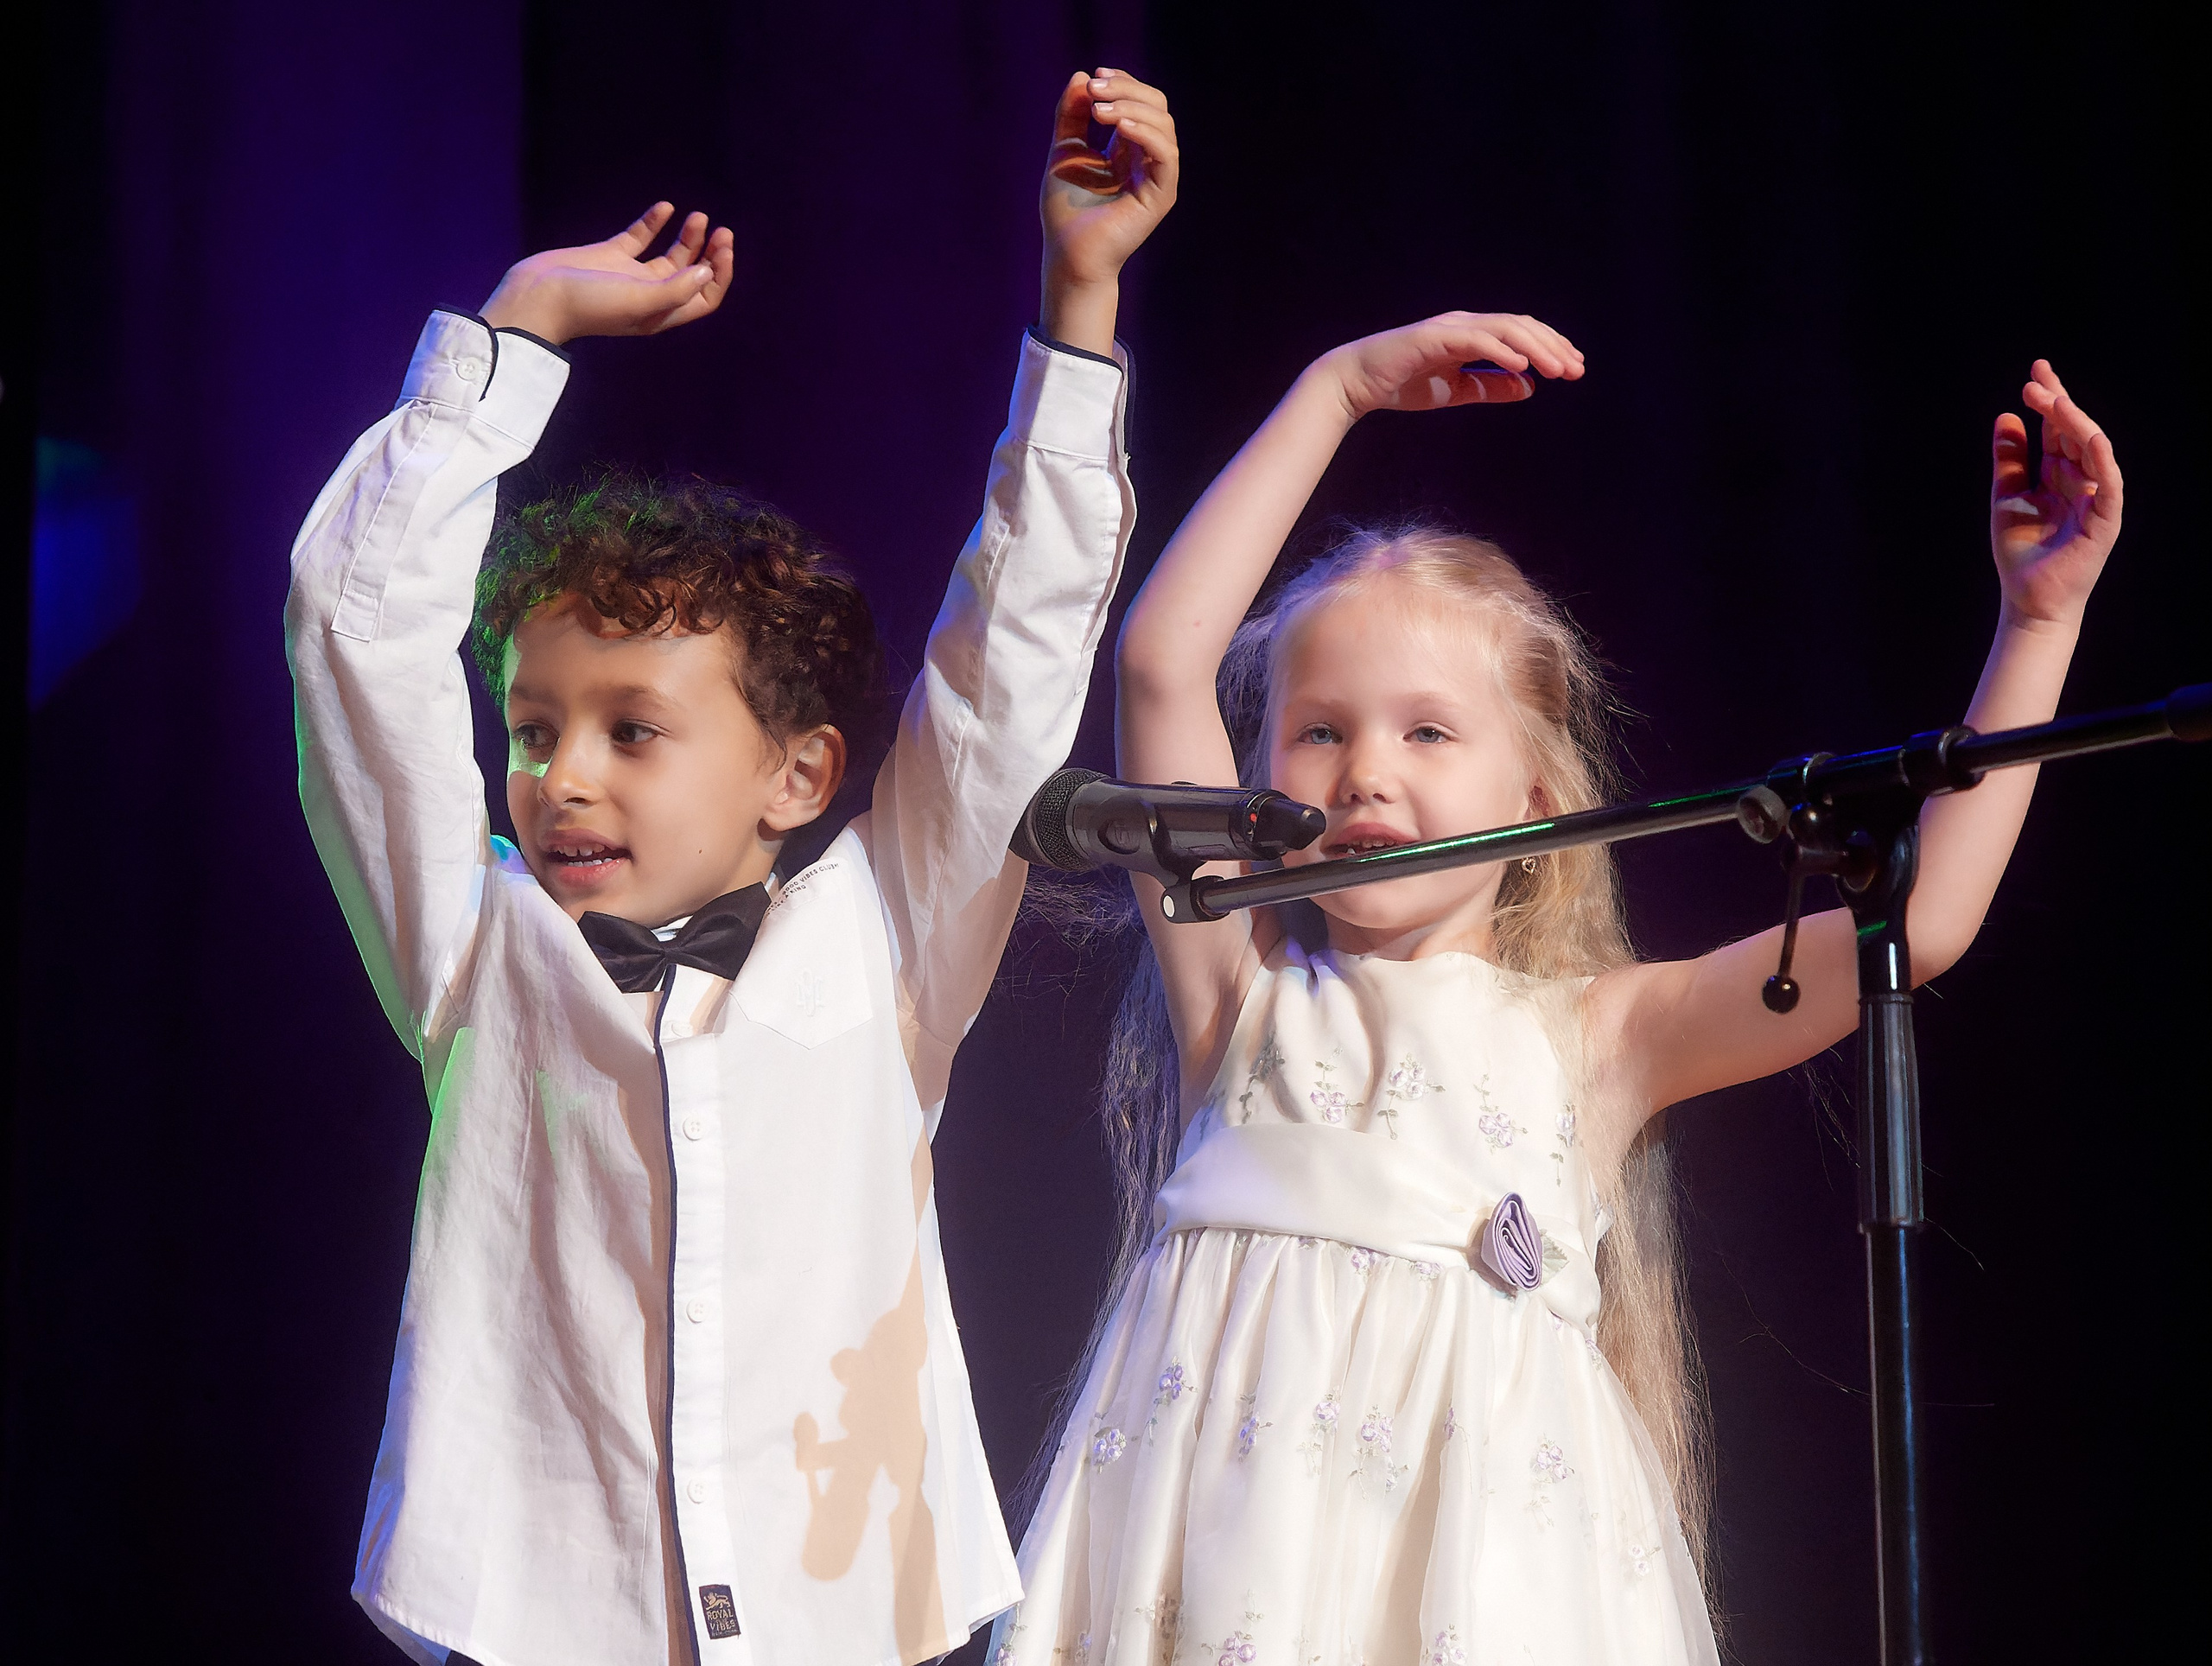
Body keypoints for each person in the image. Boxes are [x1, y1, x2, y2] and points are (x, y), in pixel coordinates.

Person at [993, 313, 2120, 1664]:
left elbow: (1919, 920)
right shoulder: (1241, 997)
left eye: (1427, 731)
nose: (1364, 773)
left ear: (1532, 792)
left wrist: (2037, 623)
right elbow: (1162, 663)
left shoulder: (1600, 1033)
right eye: (1319, 731)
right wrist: (1337, 390)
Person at [286, 70, 1178, 1666]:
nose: (562, 773)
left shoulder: (890, 936)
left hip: (854, 1608)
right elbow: (359, 639)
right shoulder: (478, 951)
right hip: (538, 1617)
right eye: (536, 727)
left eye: (634, 731)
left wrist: (1081, 304)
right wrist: (515, 333)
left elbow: (1011, 668)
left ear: (799, 776)